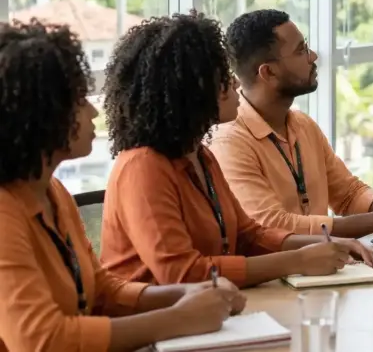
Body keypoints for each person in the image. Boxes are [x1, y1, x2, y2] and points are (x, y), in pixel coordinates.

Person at [0, 20, 247, 352]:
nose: (92, 111)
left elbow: (100, 290)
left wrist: (182, 295)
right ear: (37, 114)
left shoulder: (52, 192)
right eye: (78, 100)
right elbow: (42, 340)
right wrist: (179, 319)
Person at [100, 12, 373, 287]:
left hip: (208, 313)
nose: (234, 82)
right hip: (158, 323)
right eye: (221, 75)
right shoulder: (143, 167)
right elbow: (181, 273)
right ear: (187, 91)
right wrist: (298, 260)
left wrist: (329, 243)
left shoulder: (201, 156)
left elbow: (248, 236)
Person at [209, 10, 373, 238]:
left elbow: (348, 193)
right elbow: (273, 226)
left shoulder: (302, 125)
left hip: (323, 267)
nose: (313, 56)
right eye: (301, 51)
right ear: (268, 72)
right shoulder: (229, 141)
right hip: (279, 271)